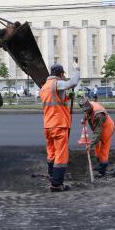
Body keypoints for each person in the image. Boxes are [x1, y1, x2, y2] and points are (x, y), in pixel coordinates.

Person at [39, 62, 80, 192]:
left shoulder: (44, 87)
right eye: (63, 75)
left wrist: (67, 97)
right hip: (59, 125)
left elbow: (55, 100)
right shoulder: (57, 83)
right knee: (61, 155)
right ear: (60, 74)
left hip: (48, 126)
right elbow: (72, 83)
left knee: (51, 153)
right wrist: (77, 70)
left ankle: (52, 177)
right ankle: (56, 184)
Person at [78, 96, 115, 177]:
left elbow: (97, 132)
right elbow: (87, 113)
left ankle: (102, 171)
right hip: (98, 127)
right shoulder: (88, 105)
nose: (86, 111)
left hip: (107, 127)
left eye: (87, 110)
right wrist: (84, 119)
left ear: (89, 107)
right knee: (97, 147)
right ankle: (99, 164)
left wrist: (90, 144)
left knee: (103, 148)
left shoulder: (98, 114)